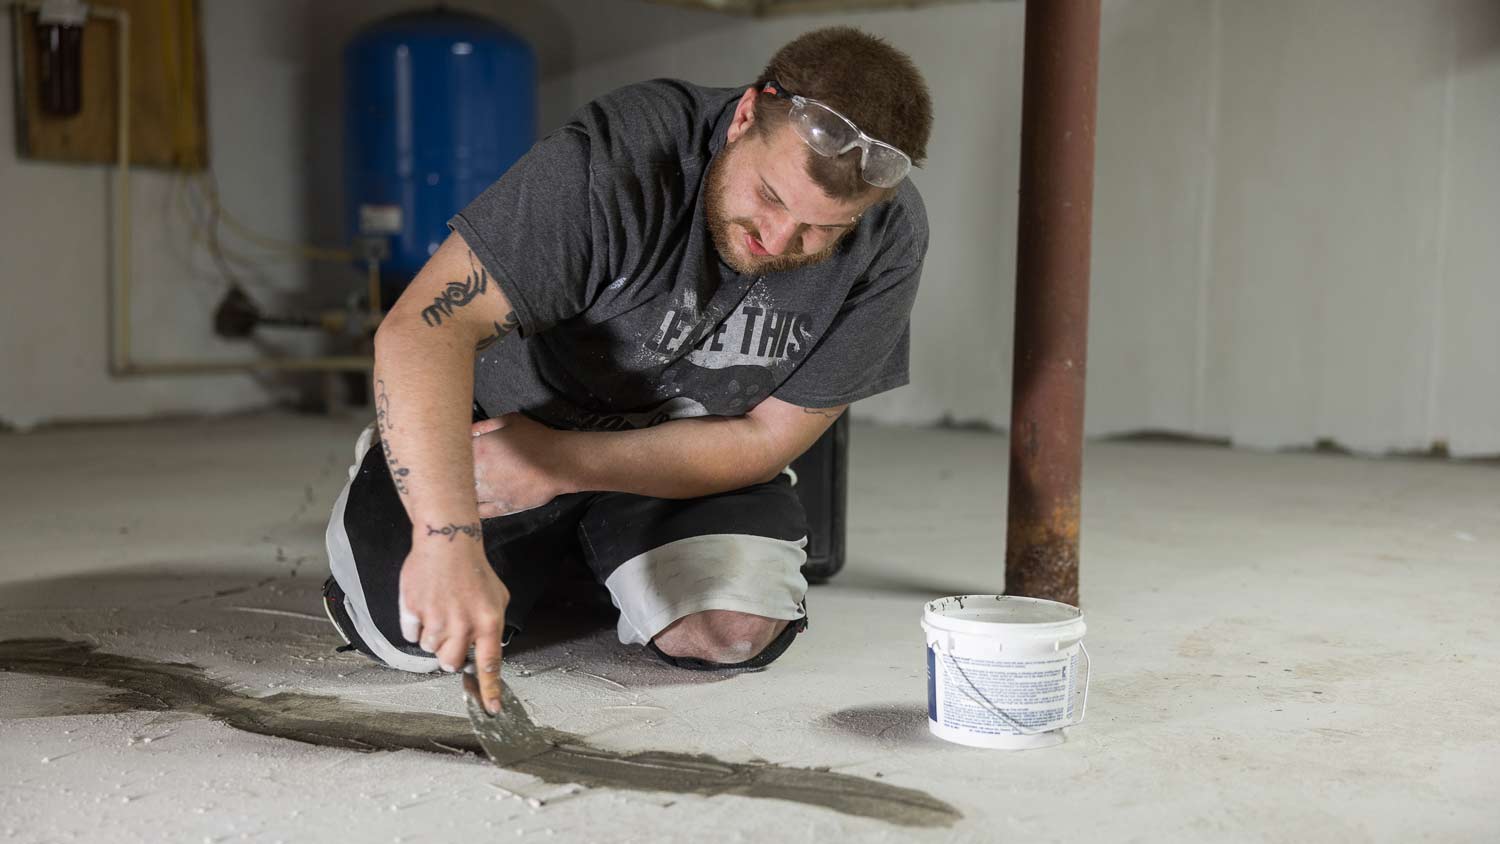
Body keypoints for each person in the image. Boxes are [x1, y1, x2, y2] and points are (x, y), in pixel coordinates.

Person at [321, 26, 933, 716]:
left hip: (675, 453)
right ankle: (437, 479)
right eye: (769, 195)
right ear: (741, 118)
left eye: (825, 229)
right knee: (421, 637)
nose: (781, 238)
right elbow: (422, 328)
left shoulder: (893, 238)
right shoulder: (620, 160)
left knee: (728, 632)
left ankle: (589, 549)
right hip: (502, 432)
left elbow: (769, 439)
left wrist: (562, 465)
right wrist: (446, 537)